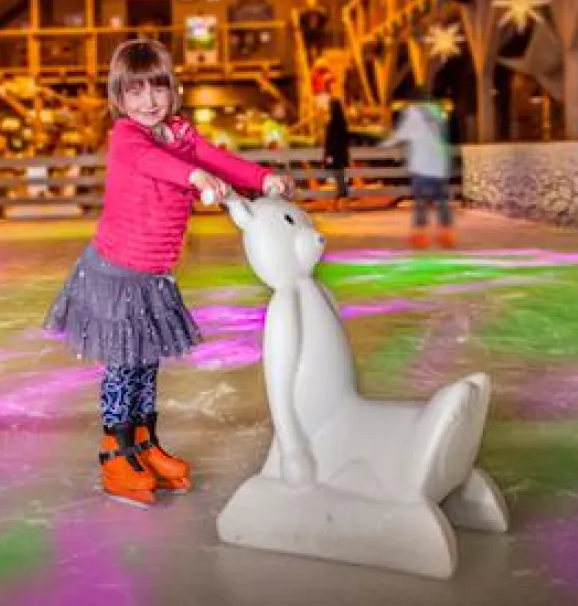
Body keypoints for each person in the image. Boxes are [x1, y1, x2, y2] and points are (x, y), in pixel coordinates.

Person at [44, 39, 295, 508]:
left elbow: (216, 158)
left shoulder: (180, 134)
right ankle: (115, 451)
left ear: (173, 88)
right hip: (117, 273)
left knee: (146, 363)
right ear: (119, 98)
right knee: (122, 366)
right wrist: (194, 178)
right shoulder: (127, 136)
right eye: (134, 92)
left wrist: (261, 179)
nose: (148, 102)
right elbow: (152, 163)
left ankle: (144, 444)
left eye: (156, 88)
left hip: (154, 274)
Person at [380, 86, 455, 249]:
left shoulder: (414, 113)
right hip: (439, 164)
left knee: (420, 201)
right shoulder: (438, 113)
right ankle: (447, 234)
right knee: (442, 200)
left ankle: (420, 236)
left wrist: (384, 143)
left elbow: (403, 134)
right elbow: (444, 138)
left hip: (422, 166)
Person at [323, 97, 352, 201]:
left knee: (337, 176)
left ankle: (341, 194)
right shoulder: (343, 123)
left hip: (334, 155)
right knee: (340, 175)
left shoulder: (331, 124)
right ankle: (342, 194)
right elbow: (345, 140)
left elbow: (330, 142)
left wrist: (328, 156)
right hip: (341, 155)